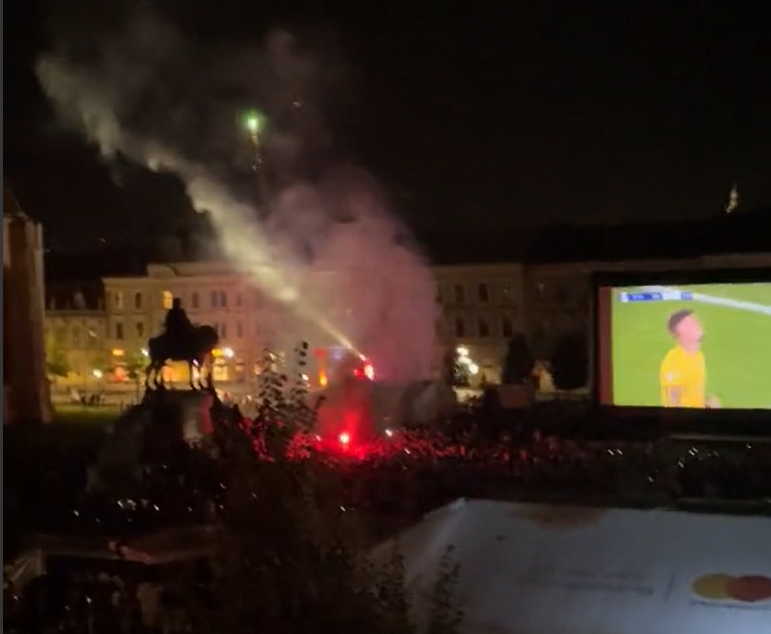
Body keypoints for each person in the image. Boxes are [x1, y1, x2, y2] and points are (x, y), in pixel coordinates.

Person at [659, 309, 720, 408]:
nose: (698, 324)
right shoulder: (674, 362)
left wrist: (707, 404)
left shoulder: (698, 355)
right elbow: (673, 404)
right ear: (681, 333)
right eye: (691, 324)